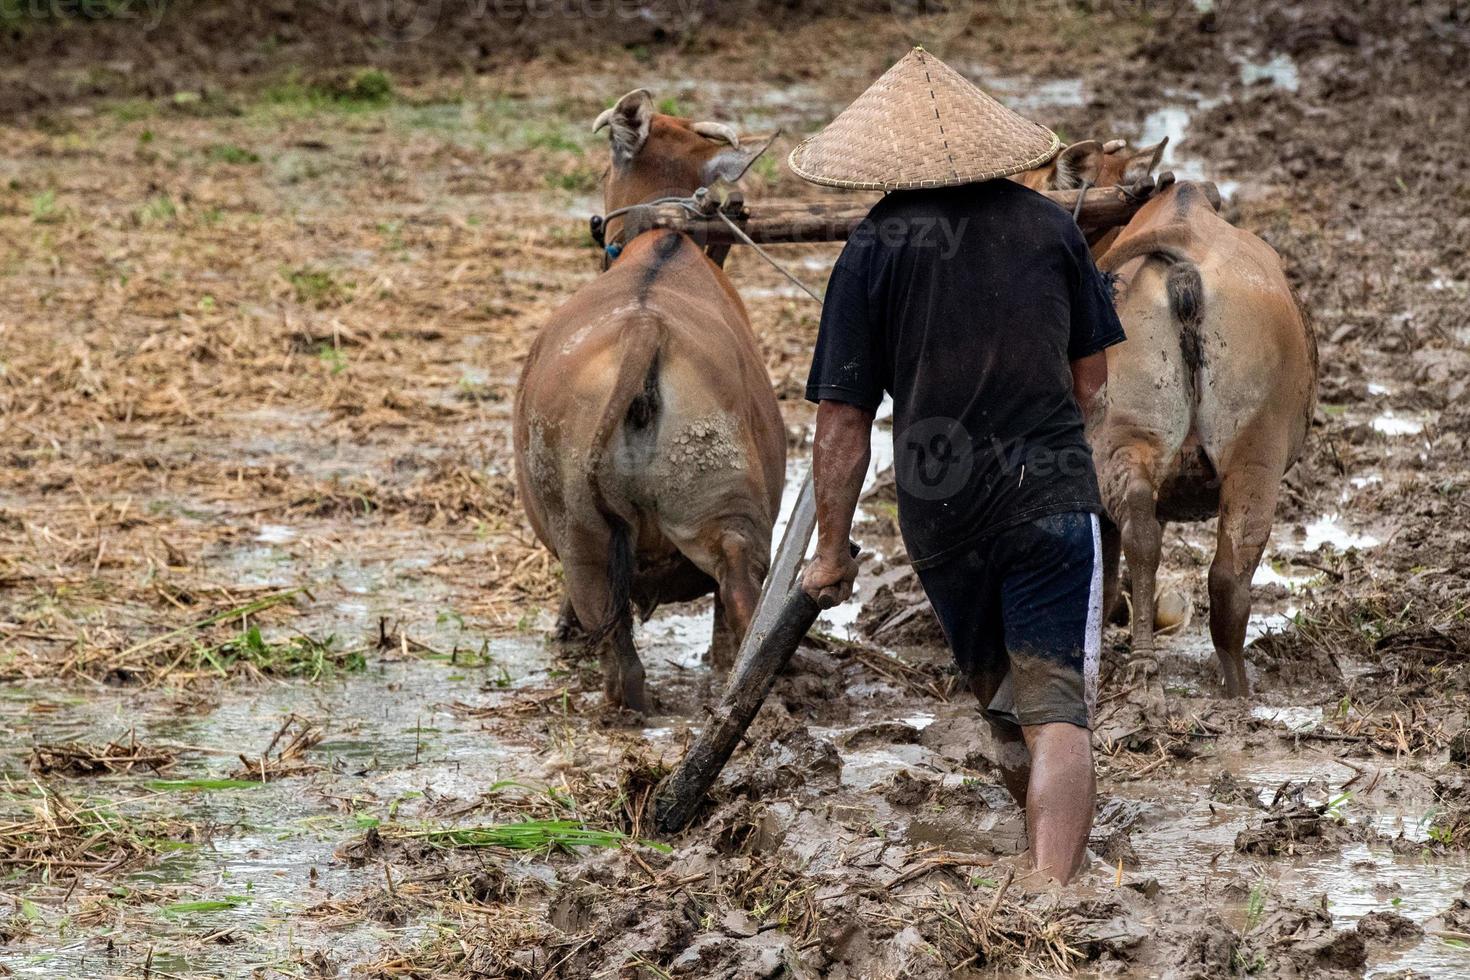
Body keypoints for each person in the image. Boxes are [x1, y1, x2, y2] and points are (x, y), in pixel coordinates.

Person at [789, 47, 1126, 885]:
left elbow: (842, 421)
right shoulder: (1052, 225)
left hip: (941, 516)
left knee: (1003, 708)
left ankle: (1037, 860)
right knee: (1058, 713)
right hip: (1048, 504)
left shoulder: (871, 247)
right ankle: (1052, 897)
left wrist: (831, 551)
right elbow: (1094, 384)